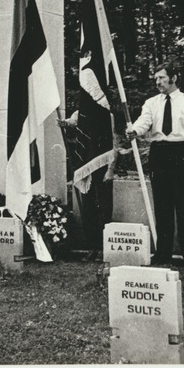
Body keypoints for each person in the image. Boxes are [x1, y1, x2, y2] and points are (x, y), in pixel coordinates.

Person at [126, 62, 184, 266]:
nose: (157, 82)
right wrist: (134, 130)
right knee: (162, 207)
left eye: (161, 77)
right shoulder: (151, 103)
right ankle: (163, 254)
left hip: (181, 154)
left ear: (174, 77)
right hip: (159, 154)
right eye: (156, 78)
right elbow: (144, 122)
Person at [58, 109, 117, 259]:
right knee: (88, 208)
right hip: (87, 167)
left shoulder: (107, 116)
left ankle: (104, 247)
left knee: (104, 208)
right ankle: (92, 247)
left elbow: (113, 142)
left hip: (103, 166)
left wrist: (110, 169)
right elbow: (72, 122)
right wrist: (65, 123)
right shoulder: (81, 113)